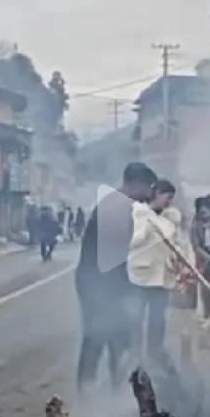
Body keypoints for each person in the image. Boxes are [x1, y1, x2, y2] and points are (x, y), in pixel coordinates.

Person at [76, 162, 157, 391]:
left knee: (118, 341)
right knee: (97, 337)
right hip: (98, 285)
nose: (149, 195)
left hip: (108, 283)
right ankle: (87, 396)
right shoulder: (115, 208)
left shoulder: (123, 206)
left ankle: (117, 394)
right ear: (136, 184)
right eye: (147, 188)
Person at [128, 179, 183, 361]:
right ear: (157, 193)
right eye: (167, 197)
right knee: (137, 317)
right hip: (142, 276)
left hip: (163, 276)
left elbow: (176, 245)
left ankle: (155, 350)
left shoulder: (170, 218)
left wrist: (178, 262)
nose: (169, 202)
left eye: (172, 199)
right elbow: (131, 242)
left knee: (158, 318)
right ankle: (134, 354)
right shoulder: (139, 214)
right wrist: (145, 232)